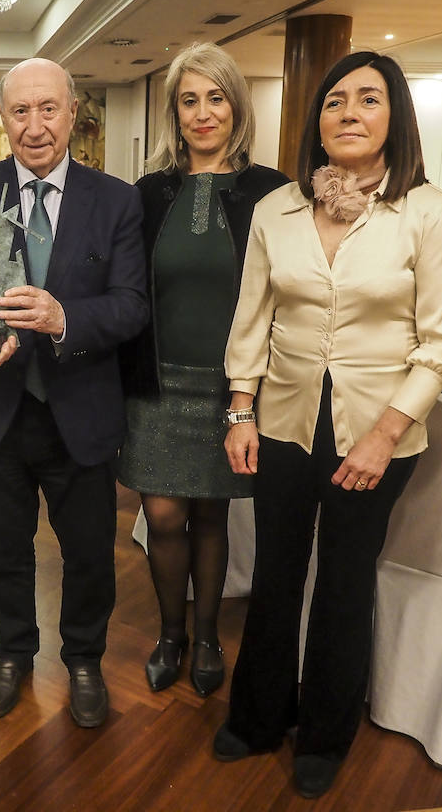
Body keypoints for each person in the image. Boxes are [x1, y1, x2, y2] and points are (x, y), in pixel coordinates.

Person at [217, 51, 442, 798]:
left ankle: (326, 733)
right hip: (285, 421)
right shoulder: (278, 210)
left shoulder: (425, 211)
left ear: (395, 116)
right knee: (274, 572)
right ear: (317, 124)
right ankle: (260, 714)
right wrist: (240, 409)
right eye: (335, 102)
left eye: (368, 99)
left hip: (381, 430)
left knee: (343, 580)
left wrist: (385, 432)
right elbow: (252, 322)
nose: (350, 113)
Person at [0, 58, 147, 728]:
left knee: (87, 556)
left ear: (73, 112)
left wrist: (64, 319)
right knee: (1, 550)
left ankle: (83, 660)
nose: (35, 125)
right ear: (3, 119)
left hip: (80, 409)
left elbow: (133, 305)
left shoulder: (116, 200)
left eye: (48, 108)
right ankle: (12, 654)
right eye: (20, 111)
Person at [116, 43, 288, 696]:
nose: (203, 112)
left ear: (236, 105)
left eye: (215, 97)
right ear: (174, 112)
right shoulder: (149, 192)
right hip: (156, 384)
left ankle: (210, 636)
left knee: (212, 516)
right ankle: (171, 634)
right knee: (163, 516)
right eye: (189, 100)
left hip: (230, 388)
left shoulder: (270, 192)